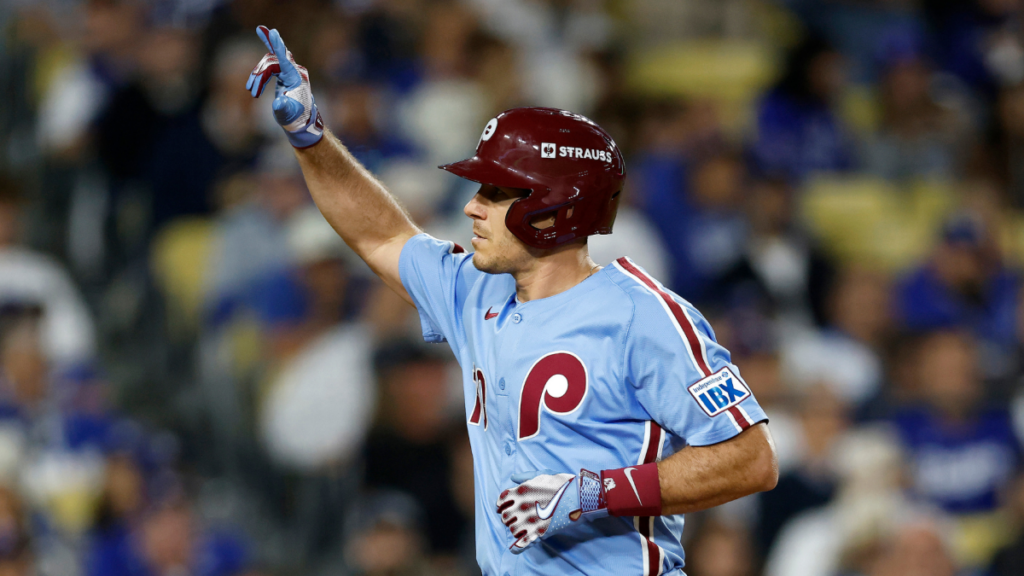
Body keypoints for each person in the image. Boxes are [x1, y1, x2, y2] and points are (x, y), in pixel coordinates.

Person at [245, 25, 778, 576]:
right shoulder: (473, 291)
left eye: (496, 193)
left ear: (555, 208)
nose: (472, 207)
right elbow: (380, 234)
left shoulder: (641, 316)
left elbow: (750, 459)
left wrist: (594, 493)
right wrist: (310, 136)